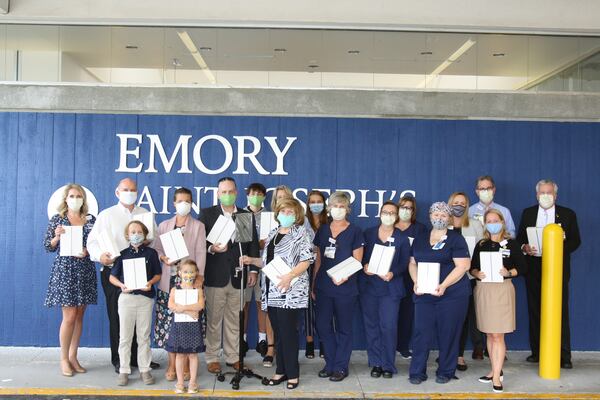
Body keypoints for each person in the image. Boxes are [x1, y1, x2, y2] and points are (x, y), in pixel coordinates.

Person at [87, 177, 159, 373]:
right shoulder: (106, 215)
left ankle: (140, 359)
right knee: (118, 317)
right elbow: (92, 242)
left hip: (141, 272)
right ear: (117, 192)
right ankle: (119, 360)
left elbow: (155, 239)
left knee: (141, 317)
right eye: (125, 189)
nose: (130, 192)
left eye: (133, 189)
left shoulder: (145, 214)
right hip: (115, 272)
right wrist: (100, 256)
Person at [241, 198, 314, 390]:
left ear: (297, 215)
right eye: (283, 211)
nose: (286, 215)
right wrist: (251, 260)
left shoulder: (301, 233)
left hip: (291, 291)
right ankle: (281, 371)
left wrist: (289, 276)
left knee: (289, 334)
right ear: (277, 213)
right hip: (272, 291)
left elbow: (307, 261)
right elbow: (268, 262)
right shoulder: (273, 233)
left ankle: (293, 374)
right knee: (279, 334)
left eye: (291, 212)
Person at [517, 179, 581, 369]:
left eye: (549, 193)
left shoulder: (568, 214)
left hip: (557, 267)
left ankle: (564, 355)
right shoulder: (528, 213)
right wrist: (524, 247)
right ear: (536, 195)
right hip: (533, 266)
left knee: (559, 309)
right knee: (535, 308)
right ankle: (537, 352)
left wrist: (557, 250)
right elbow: (520, 237)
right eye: (542, 193)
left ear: (555, 195)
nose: (545, 196)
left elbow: (576, 241)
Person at [199, 177, 260, 374]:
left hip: (238, 276)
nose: (227, 195)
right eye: (223, 192)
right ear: (217, 194)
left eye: (231, 191)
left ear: (236, 193)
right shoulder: (208, 214)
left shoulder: (244, 215)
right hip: (215, 276)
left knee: (235, 320)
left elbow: (251, 244)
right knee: (214, 320)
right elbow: (199, 243)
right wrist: (211, 248)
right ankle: (212, 357)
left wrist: (253, 270)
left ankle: (234, 357)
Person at [408, 202, 471, 385]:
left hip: (452, 295)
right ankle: (417, 372)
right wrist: (416, 281)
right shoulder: (420, 238)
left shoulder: (456, 239)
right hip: (424, 294)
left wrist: (443, 285)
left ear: (450, 217)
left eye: (444, 215)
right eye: (436, 215)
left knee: (449, 333)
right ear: (430, 216)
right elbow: (412, 263)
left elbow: (463, 266)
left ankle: (446, 371)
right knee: (421, 333)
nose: (439, 218)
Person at [43, 183, 97, 377]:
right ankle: (64, 359)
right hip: (66, 271)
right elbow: (48, 246)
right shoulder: (58, 220)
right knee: (69, 316)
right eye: (72, 196)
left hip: (85, 270)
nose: (75, 199)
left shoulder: (91, 220)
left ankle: (74, 356)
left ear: (84, 199)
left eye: (79, 196)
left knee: (80, 316)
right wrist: (56, 237)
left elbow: (97, 243)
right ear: (66, 198)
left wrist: (88, 250)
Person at [152, 187, 207, 381]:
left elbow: (201, 252)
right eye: (180, 201)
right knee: (170, 325)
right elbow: (157, 248)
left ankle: (185, 365)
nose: (184, 204)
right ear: (174, 203)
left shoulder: (198, 226)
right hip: (169, 282)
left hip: (190, 282)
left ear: (191, 203)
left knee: (187, 324)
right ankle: (172, 364)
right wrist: (163, 257)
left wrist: (199, 279)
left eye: (188, 201)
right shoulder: (164, 225)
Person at [470, 209, 527, 393]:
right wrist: (476, 273)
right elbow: (472, 268)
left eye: (496, 220)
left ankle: (496, 377)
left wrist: (509, 272)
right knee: (489, 333)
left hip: (502, 290)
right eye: (489, 220)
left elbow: (523, 268)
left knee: (498, 335)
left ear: (502, 221)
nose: (493, 223)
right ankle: (494, 369)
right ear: (485, 224)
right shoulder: (482, 244)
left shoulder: (512, 243)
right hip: (484, 290)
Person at [313, 191, 364, 382]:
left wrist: (344, 276)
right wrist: (314, 283)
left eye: (342, 206)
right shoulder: (323, 230)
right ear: (329, 208)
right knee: (323, 326)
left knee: (344, 328)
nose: (338, 209)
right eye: (335, 206)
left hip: (346, 287)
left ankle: (341, 366)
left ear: (347, 209)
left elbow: (358, 260)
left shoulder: (355, 231)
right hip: (324, 286)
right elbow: (318, 259)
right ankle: (331, 362)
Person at [359, 201, 410, 378]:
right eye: (385, 212)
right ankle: (376, 363)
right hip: (370, 288)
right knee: (371, 326)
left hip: (390, 288)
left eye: (392, 212)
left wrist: (393, 273)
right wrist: (365, 265)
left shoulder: (402, 237)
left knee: (388, 326)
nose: (388, 215)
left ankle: (388, 364)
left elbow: (404, 263)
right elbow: (362, 257)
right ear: (380, 213)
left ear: (396, 216)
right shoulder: (369, 233)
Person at [109, 220, 162, 386]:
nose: (136, 234)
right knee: (125, 337)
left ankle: (144, 369)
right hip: (126, 298)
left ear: (145, 234)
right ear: (127, 235)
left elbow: (158, 274)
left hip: (145, 299)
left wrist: (150, 283)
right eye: (133, 232)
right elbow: (112, 277)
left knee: (144, 336)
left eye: (139, 231)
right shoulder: (122, 254)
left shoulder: (151, 254)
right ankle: (124, 370)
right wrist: (121, 285)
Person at [448, 191, 485, 369]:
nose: (459, 206)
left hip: (467, 278)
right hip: (445, 279)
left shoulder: (476, 225)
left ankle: (459, 356)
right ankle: (446, 354)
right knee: (447, 319)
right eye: (456, 202)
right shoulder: (441, 224)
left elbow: (482, 251)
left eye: (463, 203)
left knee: (462, 319)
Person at [394, 195, 428, 359]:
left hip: (411, 275)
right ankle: (389, 345)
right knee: (390, 312)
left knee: (407, 312)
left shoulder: (420, 229)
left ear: (414, 211)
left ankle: (402, 345)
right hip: (391, 275)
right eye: (403, 207)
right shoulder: (390, 226)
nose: (405, 210)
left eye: (409, 208)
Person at [167, 259, 205, 394]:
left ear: (196, 273)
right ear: (179, 273)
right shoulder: (174, 289)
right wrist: (189, 311)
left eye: (191, 272)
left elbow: (200, 305)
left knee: (193, 354)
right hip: (179, 326)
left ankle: (193, 382)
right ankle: (180, 382)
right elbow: (171, 306)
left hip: (193, 326)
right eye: (185, 272)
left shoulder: (198, 289)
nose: (188, 275)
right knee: (180, 354)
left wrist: (182, 307)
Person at [243, 182, 270, 360]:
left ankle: (262, 339)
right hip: (245, 265)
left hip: (266, 265)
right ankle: (242, 340)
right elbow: (240, 240)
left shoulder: (270, 216)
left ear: (264, 197)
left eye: (259, 194)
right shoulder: (241, 215)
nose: (256, 197)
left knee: (262, 303)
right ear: (247, 195)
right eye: (253, 194)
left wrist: (264, 243)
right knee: (243, 303)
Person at [305, 190, 329, 359]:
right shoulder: (302, 222)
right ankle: (309, 342)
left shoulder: (330, 223)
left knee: (323, 306)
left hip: (326, 266)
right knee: (307, 306)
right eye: (312, 201)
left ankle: (324, 341)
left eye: (318, 201)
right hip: (305, 267)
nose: (315, 204)